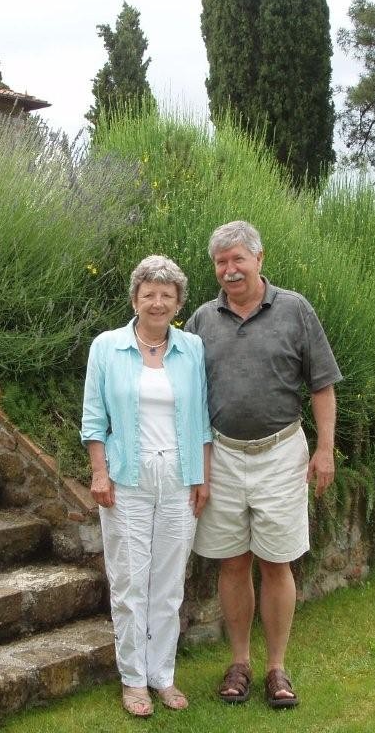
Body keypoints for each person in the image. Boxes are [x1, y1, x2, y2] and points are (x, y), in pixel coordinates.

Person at [185, 220, 342, 709]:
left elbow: (322, 385)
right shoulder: (201, 321)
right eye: (221, 262)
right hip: (224, 456)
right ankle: (239, 663)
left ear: (259, 259)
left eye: (238, 259)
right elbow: (184, 396)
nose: (230, 270)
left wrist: (324, 450)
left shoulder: (295, 310)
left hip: (281, 453)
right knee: (232, 564)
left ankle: (276, 667)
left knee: (277, 562)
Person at [81, 255, 212, 717]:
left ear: (178, 302)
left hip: (179, 477)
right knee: (130, 580)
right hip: (127, 478)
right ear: (135, 298)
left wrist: (202, 475)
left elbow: (201, 421)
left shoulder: (191, 348)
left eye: (167, 294)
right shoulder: (107, 347)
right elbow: (94, 418)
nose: (157, 302)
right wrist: (99, 472)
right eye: (149, 293)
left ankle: (163, 676)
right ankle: (133, 679)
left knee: (169, 583)